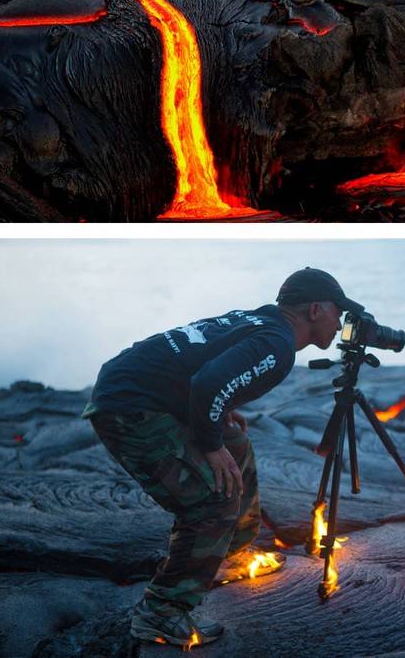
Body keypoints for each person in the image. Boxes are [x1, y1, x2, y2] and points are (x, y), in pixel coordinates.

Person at [83, 267, 363, 647]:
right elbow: (206, 383)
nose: (341, 320)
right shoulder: (277, 344)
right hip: (129, 407)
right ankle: (161, 613)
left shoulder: (260, 319)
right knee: (213, 500)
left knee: (236, 443)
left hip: (139, 388)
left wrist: (219, 414)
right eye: (338, 310)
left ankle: (228, 552)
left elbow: (204, 366)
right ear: (315, 310)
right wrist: (210, 444)